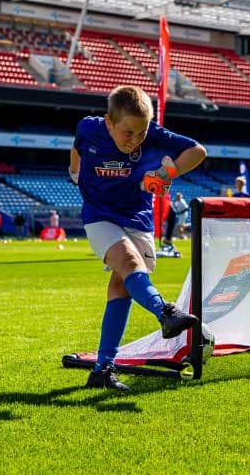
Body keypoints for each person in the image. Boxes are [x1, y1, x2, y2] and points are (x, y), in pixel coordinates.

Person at [69, 85, 207, 391]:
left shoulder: (154, 135)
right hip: (99, 215)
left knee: (122, 286)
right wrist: (76, 172)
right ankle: (165, 312)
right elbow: (78, 147)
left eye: (141, 133)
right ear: (109, 122)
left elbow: (197, 151)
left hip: (138, 218)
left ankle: (103, 369)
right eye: (128, 132)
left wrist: (164, 174)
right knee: (130, 263)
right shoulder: (89, 128)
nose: (136, 140)